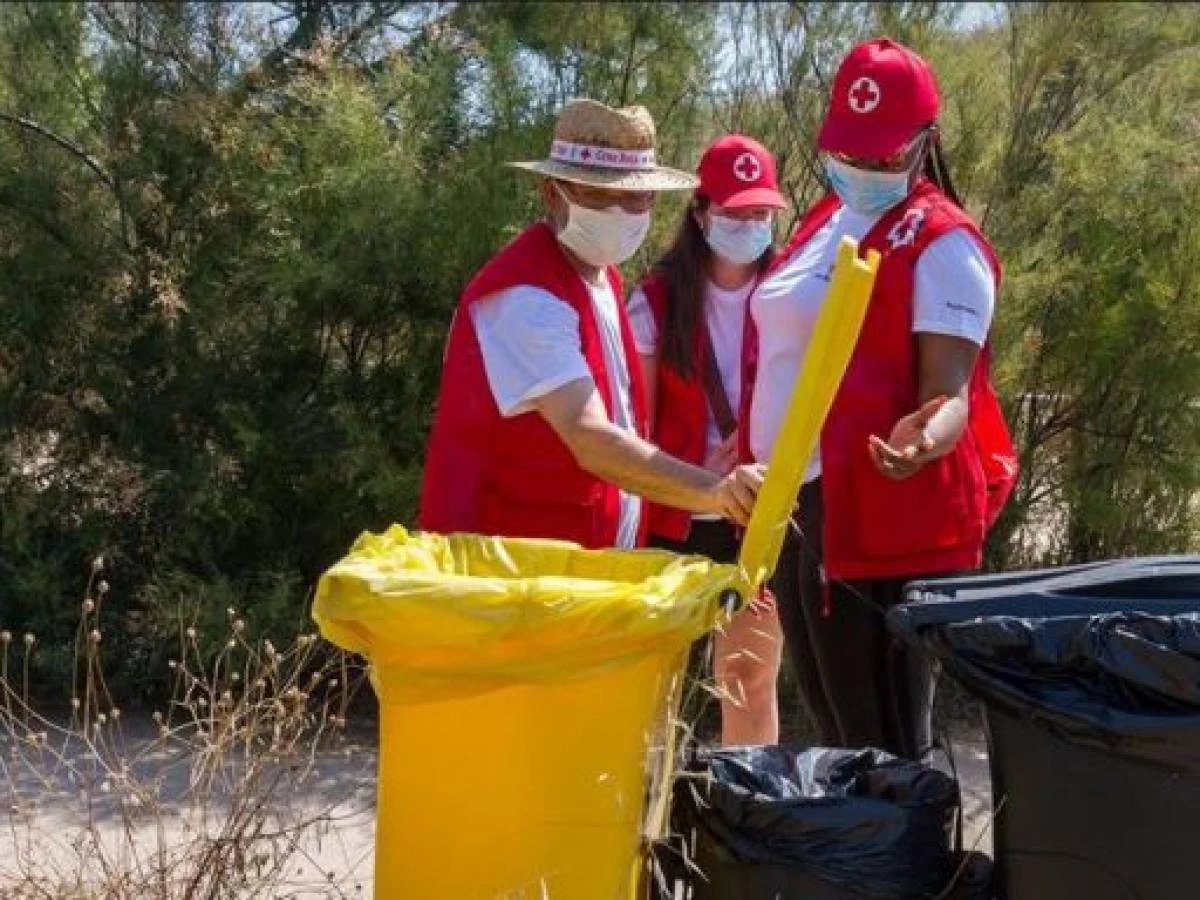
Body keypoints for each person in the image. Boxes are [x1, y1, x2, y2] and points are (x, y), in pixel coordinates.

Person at [741, 38, 1018, 758]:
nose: (865, 170)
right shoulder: (826, 219)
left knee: (886, 743)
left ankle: (916, 869)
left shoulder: (945, 244)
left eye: (886, 156)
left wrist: (924, 437)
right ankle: (862, 869)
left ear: (927, 143)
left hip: (888, 527)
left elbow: (948, 393)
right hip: (806, 511)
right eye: (851, 153)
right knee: (839, 735)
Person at [419, 99, 765, 551]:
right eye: (600, 194)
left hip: (577, 571)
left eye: (637, 196)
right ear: (552, 192)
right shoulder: (526, 298)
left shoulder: (599, 278)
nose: (622, 209)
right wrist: (713, 492)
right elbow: (590, 438)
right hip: (510, 577)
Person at [627, 135, 787, 746]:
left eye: (761, 212)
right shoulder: (655, 301)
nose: (750, 224)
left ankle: (750, 818)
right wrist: (694, 469)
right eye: (735, 211)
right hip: (672, 518)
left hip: (753, 519)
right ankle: (654, 824)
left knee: (747, 680)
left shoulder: (790, 293)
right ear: (700, 215)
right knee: (655, 688)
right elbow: (632, 428)